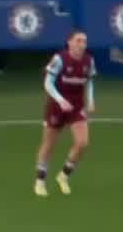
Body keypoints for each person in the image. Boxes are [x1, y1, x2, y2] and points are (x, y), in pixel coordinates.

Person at [35, 31, 94, 198]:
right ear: (69, 42)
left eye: (84, 41)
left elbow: (89, 82)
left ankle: (63, 176)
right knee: (49, 144)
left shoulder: (89, 61)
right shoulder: (59, 59)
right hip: (56, 106)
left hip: (76, 106)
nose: (82, 44)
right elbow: (48, 83)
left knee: (82, 142)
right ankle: (40, 181)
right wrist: (60, 100)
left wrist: (90, 99)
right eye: (78, 40)